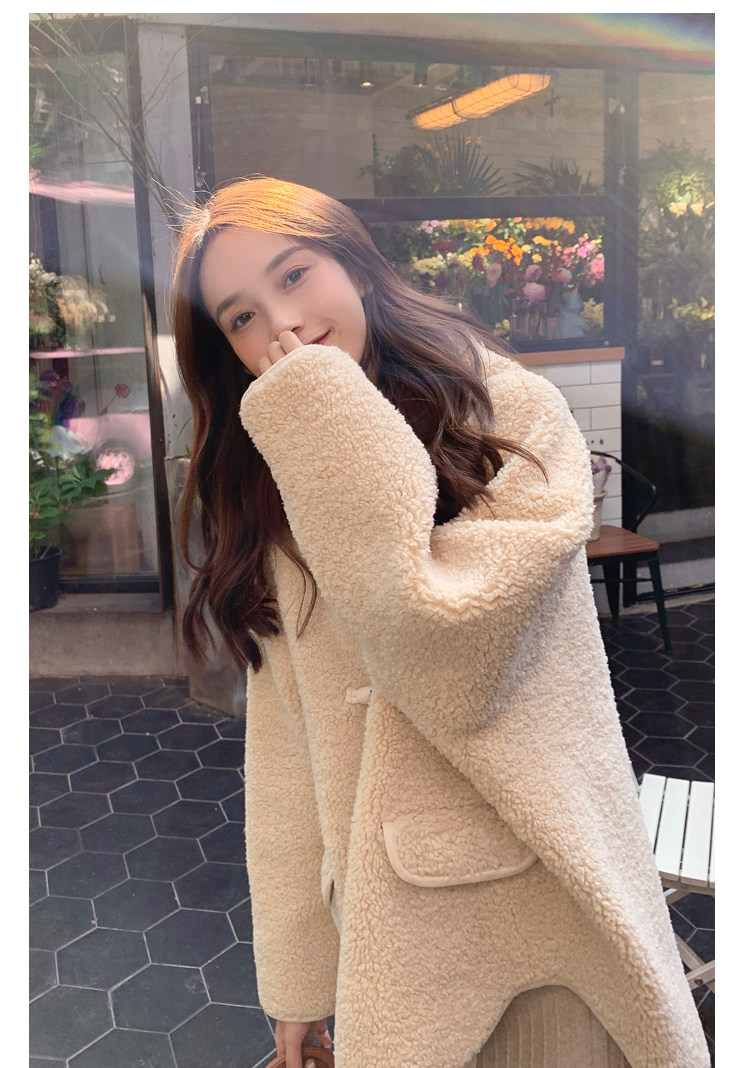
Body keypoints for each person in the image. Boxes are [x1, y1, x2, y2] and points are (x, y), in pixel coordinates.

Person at [171, 177, 709, 1068]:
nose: (282, 324)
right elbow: (285, 744)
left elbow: (440, 640)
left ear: (354, 262)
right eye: (241, 318)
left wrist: (322, 411)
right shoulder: (280, 480)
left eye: (295, 274)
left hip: (545, 920)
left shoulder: (507, 414)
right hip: (389, 945)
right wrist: (297, 982)